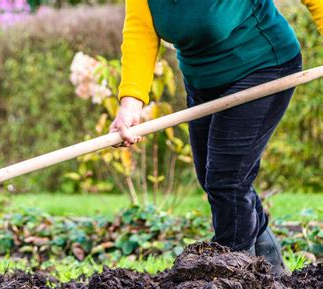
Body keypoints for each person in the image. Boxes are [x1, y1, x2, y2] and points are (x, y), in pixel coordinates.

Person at [109, 0, 322, 275]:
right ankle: (271, 270)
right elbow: (141, 31)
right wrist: (131, 103)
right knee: (215, 178)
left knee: (227, 181)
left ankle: (232, 277)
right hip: (203, 83)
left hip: (263, 67)